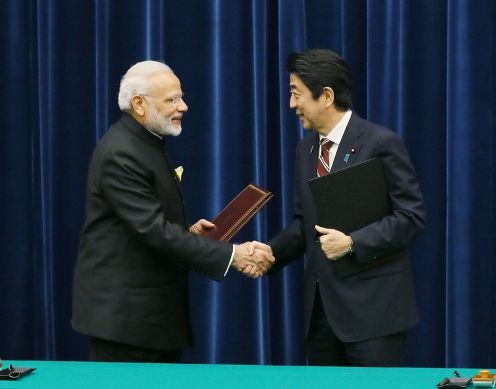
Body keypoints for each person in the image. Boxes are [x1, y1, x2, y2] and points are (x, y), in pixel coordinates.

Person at [71, 60, 274, 363]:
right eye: (172, 100)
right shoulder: (122, 152)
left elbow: (151, 226)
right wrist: (234, 255)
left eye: (181, 97)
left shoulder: (146, 143)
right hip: (126, 323)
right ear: (138, 104)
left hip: (148, 319)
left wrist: (190, 234)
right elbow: (153, 231)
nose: (185, 106)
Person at [264, 49, 426, 366]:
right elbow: (305, 224)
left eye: (296, 93)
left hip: (374, 314)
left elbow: (411, 218)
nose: (291, 104)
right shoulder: (306, 148)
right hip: (322, 315)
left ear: (326, 95)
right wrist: (268, 253)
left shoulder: (381, 143)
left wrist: (353, 243)